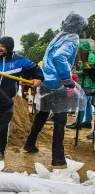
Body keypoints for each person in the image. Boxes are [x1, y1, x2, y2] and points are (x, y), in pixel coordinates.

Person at [24, 13, 89, 166]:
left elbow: (50, 58)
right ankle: (58, 158)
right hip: (59, 84)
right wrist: (68, 82)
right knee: (60, 119)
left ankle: (29, 144)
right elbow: (59, 58)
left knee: (43, 113)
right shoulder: (72, 39)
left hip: (46, 81)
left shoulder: (59, 36)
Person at [0, 36, 44, 169]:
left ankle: (0, 150)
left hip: (7, 98)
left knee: (3, 125)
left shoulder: (20, 60)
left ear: (9, 47)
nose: (0, 48)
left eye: (3, 46)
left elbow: (35, 69)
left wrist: (39, 78)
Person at [66, 41, 95, 130]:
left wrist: (74, 72)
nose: (80, 50)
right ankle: (88, 122)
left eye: (81, 48)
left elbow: (84, 71)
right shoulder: (92, 56)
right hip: (91, 84)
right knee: (88, 104)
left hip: (86, 83)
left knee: (82, 104)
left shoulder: (87, 57)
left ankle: (77, 123)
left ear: (84, 48)